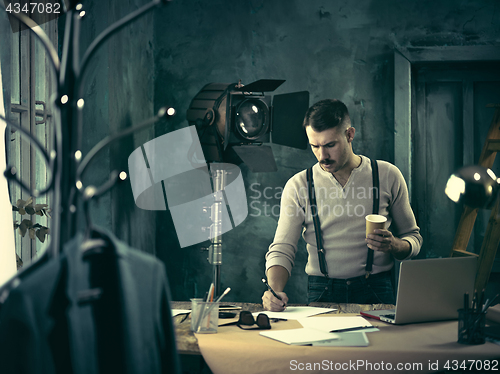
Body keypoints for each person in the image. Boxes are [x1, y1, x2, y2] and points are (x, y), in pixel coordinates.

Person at [262, 99, 422, 311]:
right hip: (322, 289)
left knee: (384, 344)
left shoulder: (387, 175)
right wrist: (273, 291)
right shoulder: (299, 185)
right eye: (314, 146)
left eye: (330, 145)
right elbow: (282, 248)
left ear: (349, 135)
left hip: (377, 288)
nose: (322, 156)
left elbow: (414, 238)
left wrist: (395, 245)